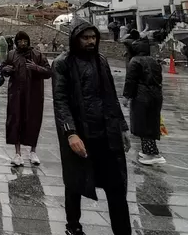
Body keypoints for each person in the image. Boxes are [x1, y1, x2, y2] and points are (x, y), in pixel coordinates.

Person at [53, 22, 131, 235]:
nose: (90, 41)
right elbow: (60, 101)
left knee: (117, 186)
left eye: (93, 37)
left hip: (107, 133)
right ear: (75, 39)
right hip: (80, 132)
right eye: (85, 37)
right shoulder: (63, 63)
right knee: (75, 183)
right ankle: (73, 226)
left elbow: (111, 96)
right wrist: (70, 132)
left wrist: (122, 127)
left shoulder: (101, 60)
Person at [1, 31, 52, 166]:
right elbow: (3, 68)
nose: (22, 43)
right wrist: (6, 69)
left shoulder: (37, 55)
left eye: (24, 41)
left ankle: (33, 151)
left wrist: (36, 68)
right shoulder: (12, 54)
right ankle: (17, 153)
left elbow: (48, 72)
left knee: (33, 121)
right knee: (15, 121)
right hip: (16, 94)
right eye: (19, 41)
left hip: (34, 94)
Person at [122, 33, 165, 165]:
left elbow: (130, 80)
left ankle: (151, 153)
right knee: (152, 122)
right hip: (156, 95)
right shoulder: (154, 61)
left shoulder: (135, 61)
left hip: (141, 96)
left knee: (143, 124)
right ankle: (150, 150)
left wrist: (126, 96)